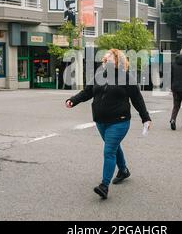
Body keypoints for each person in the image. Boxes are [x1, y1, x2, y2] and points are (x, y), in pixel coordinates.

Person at [65, 49, 152, 200]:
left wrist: (146, 118)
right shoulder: (99, 76)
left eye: (110, 56)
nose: (106, 58)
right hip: (101, 122)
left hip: (119, 121)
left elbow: (137, 99)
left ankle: (104, 186)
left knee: (109, 151)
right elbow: (87, 92)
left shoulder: (126, 78)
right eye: (106, 58)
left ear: (118, 60)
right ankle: (123, 170)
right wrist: (73, 100)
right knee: (114, 147)